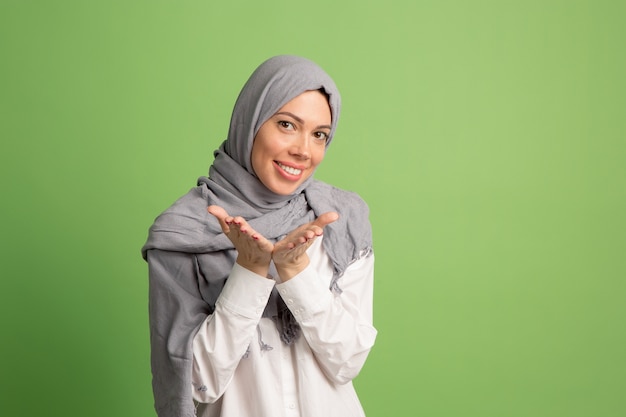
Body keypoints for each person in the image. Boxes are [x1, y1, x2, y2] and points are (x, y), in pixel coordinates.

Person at [141, 55, 376, 417]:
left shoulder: (340, 221)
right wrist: (250, 270)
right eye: (286, 124)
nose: (303, 149)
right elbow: (193, 384)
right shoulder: (185, 231)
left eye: (319, 135)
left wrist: (296, 271)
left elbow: (347, 361)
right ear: (249, 123)